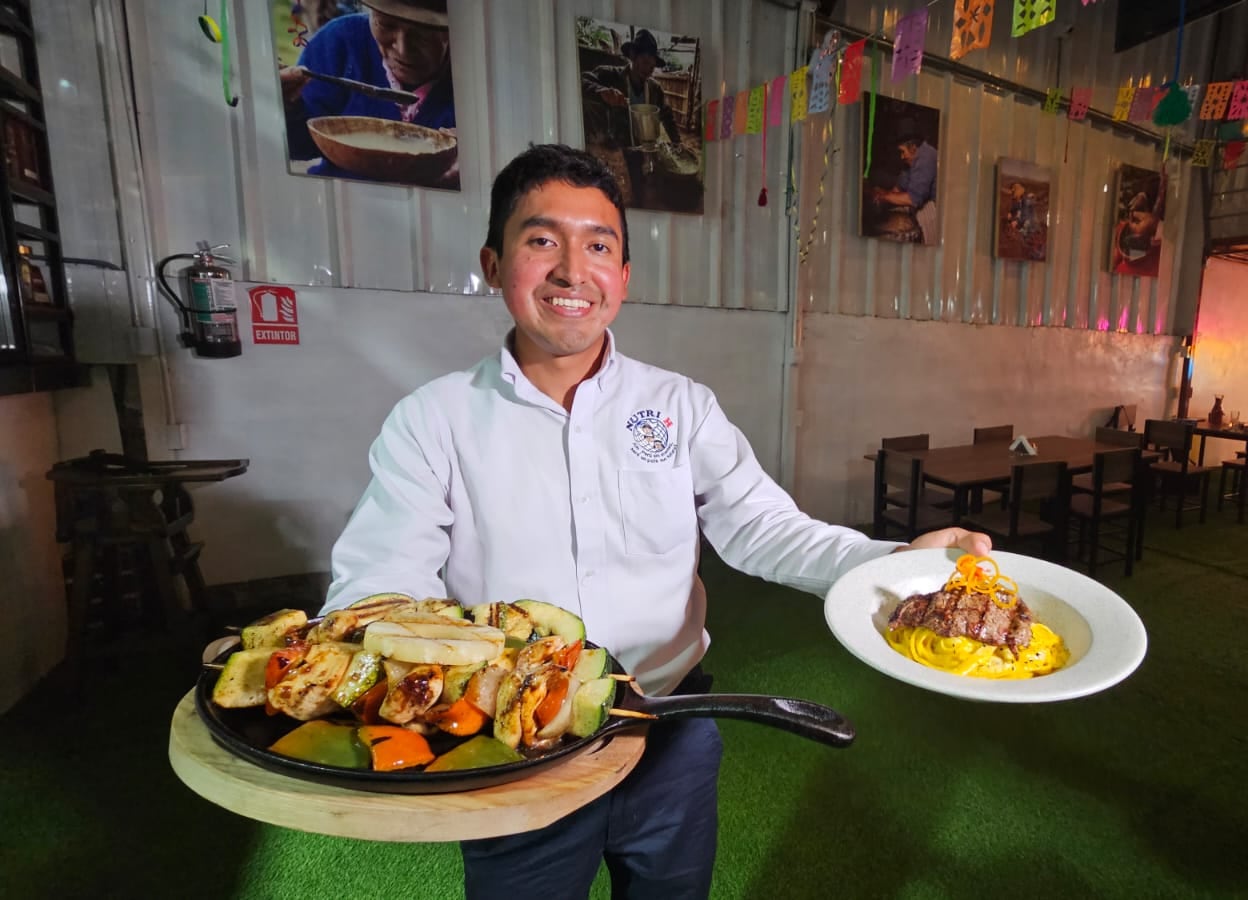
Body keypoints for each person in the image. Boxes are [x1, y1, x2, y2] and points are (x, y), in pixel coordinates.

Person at [322, 143, 990, 899]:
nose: (572, 271)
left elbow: (764, 526)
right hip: (517, 741)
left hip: (670, 730)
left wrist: (896, 561)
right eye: (541, 240)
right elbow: (382, 574)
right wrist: (358, 664)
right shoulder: (435, 420)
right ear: (493, 264)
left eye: (598, 246)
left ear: (624, 275)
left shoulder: (678, 406)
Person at [278, 0, 457, 187]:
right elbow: (300, 146)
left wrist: (473, 163)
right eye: (386, 25)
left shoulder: (473, 66)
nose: (402, 49)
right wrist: (286, 107)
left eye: (422, 33)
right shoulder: (340, 42)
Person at [581, 29, 684, 148]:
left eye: (652, 67)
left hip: (646, 149)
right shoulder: (611, 76)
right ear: (632, 55)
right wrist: (600, 91)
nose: (649, 70)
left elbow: (667, 117)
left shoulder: (655, 89)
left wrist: (677, 142)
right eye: (645, 62)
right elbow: (581, 81)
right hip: (618, 150)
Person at [870, 134, 939, 244]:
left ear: (913, 148)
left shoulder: (926, 158)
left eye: (903, 152)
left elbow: (913, 199)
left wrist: (884, 196)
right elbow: (897, 190)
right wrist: (881, 194)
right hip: (918, 207)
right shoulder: (910, 161)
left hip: (934, 210)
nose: (901, 156)